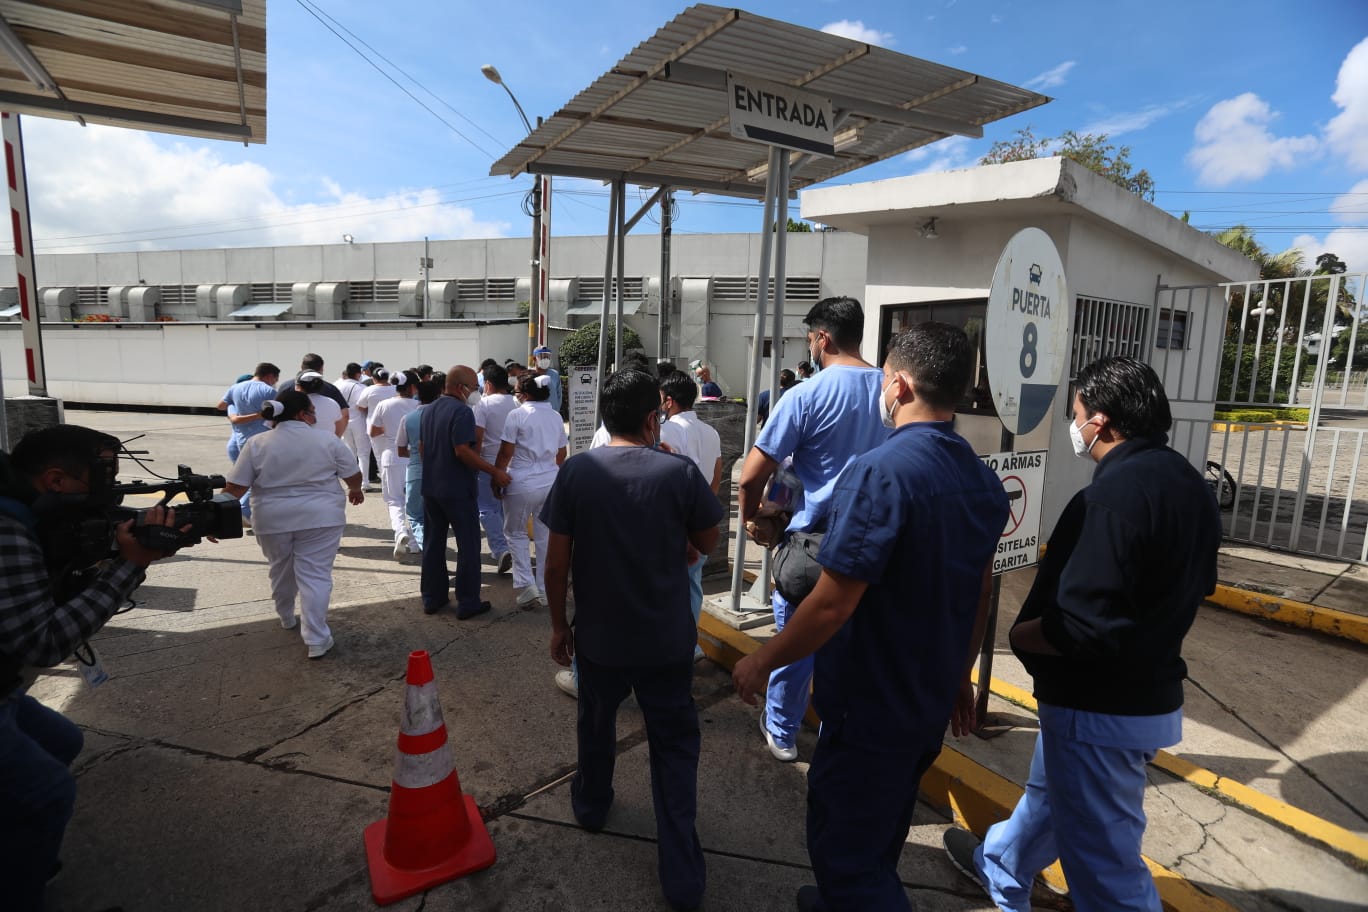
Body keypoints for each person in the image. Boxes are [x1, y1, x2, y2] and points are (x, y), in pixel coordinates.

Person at [732, 323, 1009, 912]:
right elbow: (980, 592)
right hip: (928, 696)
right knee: (883, 825)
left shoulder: (880, 472)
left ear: (900, 384)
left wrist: (762, 659)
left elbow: (833, 602)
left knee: (845, 846)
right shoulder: (983, 480)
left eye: (885, 380)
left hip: (871, 701)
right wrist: (960, 675)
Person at [942, 357, 1222, 912]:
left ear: (1102, 422)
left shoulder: (1110, 499)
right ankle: (1001, 862)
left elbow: (1080, 625)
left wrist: (1024, 638)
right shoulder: (1190, 485)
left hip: (1097, 705)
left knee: (1103, 863)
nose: (1075, 426)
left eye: (1077, 415)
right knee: (1051, 797)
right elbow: (1200, 584)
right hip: (1145, 693)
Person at [542, 369, 723, 912]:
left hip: (599, 639)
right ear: (653, 418)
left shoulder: (576, 472)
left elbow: (555, 564)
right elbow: (707, 540)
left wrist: (558, 625)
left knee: (595, 728)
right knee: (673, 750)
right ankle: (682, 874)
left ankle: (592, 806)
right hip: (666, 642)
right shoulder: (680, 473)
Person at [0, 425, 183, 912]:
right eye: (99, 480)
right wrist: (129, 566)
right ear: (56, 480)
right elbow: (45, 642)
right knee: (46, 792)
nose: (109, 493)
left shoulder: (25, 511)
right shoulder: (8, 529)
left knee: (61, 741)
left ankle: (20, 851)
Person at [738, 296, 888, 762]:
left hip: (811, 546)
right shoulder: (893, 391)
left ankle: (782, 731)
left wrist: (751, 516)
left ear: (822, 337)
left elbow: (750, 475)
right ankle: (835, 737)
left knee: (796, 644)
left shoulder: (805, 394)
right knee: (849, 650)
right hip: (871, 544)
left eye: (810, 337)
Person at [224, 392, 364, 660]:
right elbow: (352, 473)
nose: (315, 416)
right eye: (312, 411)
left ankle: (286, 616)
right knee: (315, 576)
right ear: (302, 414)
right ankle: (316, 640)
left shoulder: (257, 443)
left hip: (271, 519)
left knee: (280, 568)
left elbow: (235, 487)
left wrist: (213, 521)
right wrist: (355, 489)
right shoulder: (327, 440)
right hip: (321, 517)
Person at [420, 366, 511, 619]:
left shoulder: (429, 410)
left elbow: (422, 448)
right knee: (468, 545)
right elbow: (463, 450)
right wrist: (494, 472)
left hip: (431, 488)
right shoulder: (462, 412)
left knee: (433, 544)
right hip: (457, 489)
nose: (476, 391)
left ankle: (432, 597)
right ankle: (468, 601)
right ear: (461, 388)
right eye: (473, 386)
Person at [659, 370, 722, 660]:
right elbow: (716, 479)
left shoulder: (666, 430)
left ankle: (672, 645)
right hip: (702, 519)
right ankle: (691, 644)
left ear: (668, 401)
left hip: (675, 524)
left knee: (667, 590)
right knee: (693, 586)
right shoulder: (711, 432)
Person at [496, 374, 568, 608]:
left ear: (524, 395)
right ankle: (545, 590)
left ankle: (527, 585)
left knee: (515, 533)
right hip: (549, 481)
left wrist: (496, 476)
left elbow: (506, 453)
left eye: (516, 392)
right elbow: (561, 454)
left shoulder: (516, 415)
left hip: (520, 480)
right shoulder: (556, 416)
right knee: (544, 536)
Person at [216, 361, 281, 529]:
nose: (275, 382)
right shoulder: (268, 391)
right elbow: (281, 413)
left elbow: (220, 405)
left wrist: (237, 406)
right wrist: (259, 414)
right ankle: (244, 511)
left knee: (241, 479)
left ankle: (236, 512)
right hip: (261, 440)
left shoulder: (236, 387)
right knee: (257, 480)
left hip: (239, 439)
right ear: (269, 376)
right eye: (275, 379)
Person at [369, 370, 421, 561]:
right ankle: (416, 543)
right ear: (411, 387)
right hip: (414, 458)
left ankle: (400, 532)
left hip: (391, 457)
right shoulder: (418, 405)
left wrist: (391, 429)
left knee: (394, 500)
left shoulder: (384, 405)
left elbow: (373, 432)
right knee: (414, 502)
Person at [473, 363, 517, 575]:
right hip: (513, 463)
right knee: (504, 509)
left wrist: (473, 461)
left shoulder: (484, 405)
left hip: (488, 464)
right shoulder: (517, 403)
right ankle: (507, 548)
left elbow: (478, 438)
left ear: (487, 384)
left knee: (486, 509)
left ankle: (500, 549)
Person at [396, 379, 441, 555]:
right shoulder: (442, 417)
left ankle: (428, 547)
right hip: (440, 472)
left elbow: (400, 450)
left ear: (417, 395)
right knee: (438, 516)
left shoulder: (407, 418)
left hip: (415, 472)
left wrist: (414, 453)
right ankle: (434, 544)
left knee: (415, 515)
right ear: (438, 395)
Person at [296, 370, 346, 437]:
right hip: (328, 444)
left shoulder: (295, 404)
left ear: (300, 387)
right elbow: (339, 423)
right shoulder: (332, 403)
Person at [531, 345, 564, 413]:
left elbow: (559, 395)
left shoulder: (555, 374)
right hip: (536, 413)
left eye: (547, 357)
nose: (546, 359)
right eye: (542, 357)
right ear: (534, 358)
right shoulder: (530, 375)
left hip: (553, 412)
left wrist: (556, 411)